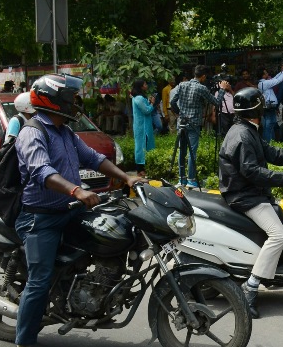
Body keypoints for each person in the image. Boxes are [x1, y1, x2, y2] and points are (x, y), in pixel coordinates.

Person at [13, 73, 143, 347]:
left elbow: (94, 159)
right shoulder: (32, 132)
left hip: (70, 210)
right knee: (39, 282)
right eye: (71, 99)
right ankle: (24, 341)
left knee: (113, 232)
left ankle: (87, 293)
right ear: (55, 101)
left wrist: (127, 177)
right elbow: (41, 171)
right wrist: (77, 190)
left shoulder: (65, 131)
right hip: (41, 218)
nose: (76, 103)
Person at [218, 87, 283, 319]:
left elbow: (270, 152)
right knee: (279, 235)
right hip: (245, 195)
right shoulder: (242, 135)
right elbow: (252, 172)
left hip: (252, 192)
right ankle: (250, 288)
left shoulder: (247, 130)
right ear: (257, 108)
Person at [171, 65, 229, 189]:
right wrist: (222, 89)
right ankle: (192, 180)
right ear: (203, 76)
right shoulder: (201, 88)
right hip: (194, 124)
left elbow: (172, 102)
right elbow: (217, 102)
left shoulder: (182, 85)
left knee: (182, 151)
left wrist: (179, 113)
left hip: (181, 122)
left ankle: (182, 179)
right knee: (192, 152)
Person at [131, 79, 156, 177]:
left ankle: (141, 169)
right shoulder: (139, 98)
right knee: (141, 147)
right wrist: (152, 103)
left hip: (141, 125)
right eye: (145, 84)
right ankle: (140, 170)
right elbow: (146, 110)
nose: (146, 85)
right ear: (141, 86)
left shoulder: (137, 98)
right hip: (142, 126)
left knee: (142, 146)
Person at [256, 66, 283, 143]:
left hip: (269, 107)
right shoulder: (265, 83)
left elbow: (274, 79)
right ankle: (267, 143)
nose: (268, 74)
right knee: (268, 125)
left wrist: (281, 72)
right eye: (266, 73)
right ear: (263, 75)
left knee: (270, 124)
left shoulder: (263, 83)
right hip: (269, 107)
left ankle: (271, 143)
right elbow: (277, 80)